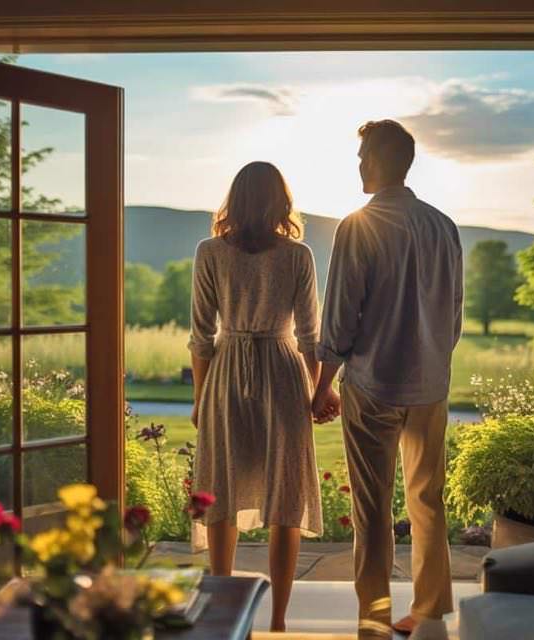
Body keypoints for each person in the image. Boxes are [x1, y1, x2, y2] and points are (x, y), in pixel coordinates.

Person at [312, 120, 464, 640]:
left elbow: (340, 319)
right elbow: (455, 315)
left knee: (373, 508)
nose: (357, 165)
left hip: (373, 386)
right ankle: (430, 612)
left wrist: (321, 384)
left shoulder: (358, 225)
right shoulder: (443, 226)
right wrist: (433, 360)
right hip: (430, 386)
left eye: (361, 157)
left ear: (377, 161)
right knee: (428, 499)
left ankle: (373, 620)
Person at [188, 161, 323, 632]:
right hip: (283, 375)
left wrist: (201, 397)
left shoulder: (209, 252)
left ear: (236, 199)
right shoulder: (298, 254)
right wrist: (316, 390)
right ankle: (279, 622)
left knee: (221, 491)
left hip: (226, 372)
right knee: (285, 501)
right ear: (280, 202)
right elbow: (309, 336)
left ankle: (223, 617)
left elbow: (201, 335)